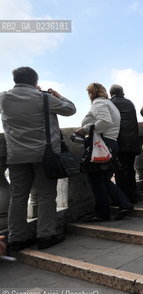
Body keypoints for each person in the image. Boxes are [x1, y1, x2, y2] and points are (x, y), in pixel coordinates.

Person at [0, 66, 76, 250]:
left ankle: (17, 238)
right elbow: (71, 109)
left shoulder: (3, 97)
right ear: (35, 81)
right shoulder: (44, 98)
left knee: (18, 197)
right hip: (44, 155)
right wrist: (58, 95)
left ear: (15, 80)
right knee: (46, 195)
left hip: (16, 155)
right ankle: (45, 236)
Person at [75, 83, 132, 221]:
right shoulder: (109, 104)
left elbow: (105, 121)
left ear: (92, 93)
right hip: (110, 143)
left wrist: (84, 130)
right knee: (103, 179)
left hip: (101, 144)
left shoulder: (98, 103)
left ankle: (102, 213)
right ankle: (124, 204)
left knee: (96, 179)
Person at [110, 84, 140, 203]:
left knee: (120, 170)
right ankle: (133, 195)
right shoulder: (130, 103)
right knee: (131, 169)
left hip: (120, 142)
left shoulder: (111, 103)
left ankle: (124, 198)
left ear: (111, 93)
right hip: (132, 141)